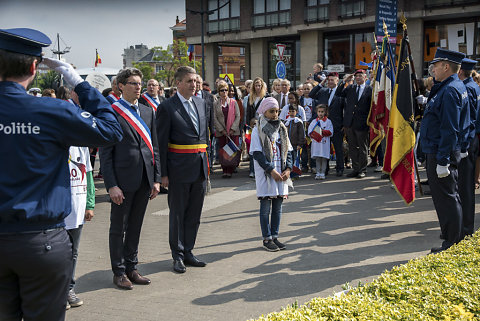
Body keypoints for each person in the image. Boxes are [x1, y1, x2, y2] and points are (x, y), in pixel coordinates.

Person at [0, 28, 123, 321]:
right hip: (40, 242)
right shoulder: (51, 110)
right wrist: (77, 82)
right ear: (34, 67)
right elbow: (111, 129)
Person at [99, 67, 161, 290]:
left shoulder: (147, 111)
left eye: (139, 83)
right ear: (121, 86)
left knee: (135, 226)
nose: (138, 87)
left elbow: (154, 148)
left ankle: (131, 268)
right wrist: (111, 185)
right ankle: (118, 272)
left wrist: (156, 179)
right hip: (122, 182)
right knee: (119, 228)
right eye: (133, 83)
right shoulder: (112, 112)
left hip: (144, 179)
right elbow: (106, 153)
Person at [156, 66, 209, 273]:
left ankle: (188, 251)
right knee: (177, 214)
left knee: (194, 214)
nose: (194, 85)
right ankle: (177, 255)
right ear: (178, 83)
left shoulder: (201, 102)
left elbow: (204, 136)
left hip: (199, 167)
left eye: (195, 81)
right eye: (189, 81)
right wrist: (163, 174)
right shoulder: (167, 107)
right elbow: (160, 143)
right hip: (178, 169)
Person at [419, 48, 467, 254]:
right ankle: (452, 235)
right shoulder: (448, 86)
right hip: (440, 149)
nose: (433, 69)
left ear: (446, 66)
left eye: (436, 65)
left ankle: (452, 243)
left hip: (441, 151)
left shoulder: (450, 90)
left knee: (446, 198)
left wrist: (443, 160)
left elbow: (449, 128)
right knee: (448, 197)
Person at [249, 97, 293, 252]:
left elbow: (289, 150)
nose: (275, 114)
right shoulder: (258, 128)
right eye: (271, 111)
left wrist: (288, 169)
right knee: (266, 206)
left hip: (280, 173)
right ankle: (266, 238)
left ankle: (275, 236)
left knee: (278, 207)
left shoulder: (282, 127)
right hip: (267, 173)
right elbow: (257, 153)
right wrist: (271, 170)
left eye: (277, 111)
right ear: (264, 111)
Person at [457, 58, 479, 239]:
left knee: (465, 187)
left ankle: (466, 228)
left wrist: (464, 144)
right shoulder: (474, 86)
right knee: (465, 185)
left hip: (468, 141)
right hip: (472, 140)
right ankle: (464, 226)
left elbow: (468, 120)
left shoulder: (468, 88)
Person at [338, 70, 372, 178]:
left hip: (362, 123)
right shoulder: (350, 88)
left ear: (365, 77)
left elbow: (371, 107)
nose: (358, 78)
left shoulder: (369, 89)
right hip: (350, 123)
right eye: (356, 76)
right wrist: (345, 82)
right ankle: (355, 168)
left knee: (362, 147)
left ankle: (362, 169)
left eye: (360, 76)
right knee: (352, 147)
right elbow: (339, 93)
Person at [310, 72, 345, 176]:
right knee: (324, 148)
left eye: (332, 80)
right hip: (322, 125)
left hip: (337, 125)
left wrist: (344, 124)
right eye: (328, 80)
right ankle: (325, 169)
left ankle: (340, 168)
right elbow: (312, 94)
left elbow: (345, 109)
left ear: (337, 81)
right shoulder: (323, 91)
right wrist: (321, 83)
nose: (330, 82)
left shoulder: (341, 92)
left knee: (338, 148)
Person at [214, 81, 241, 178]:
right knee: (222, 151)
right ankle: (224, 170)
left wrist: (232, 129)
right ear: (219, 92)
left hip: (233, 132)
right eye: (222, 90)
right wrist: (222, 130)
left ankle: (230, 170)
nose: (224, 92)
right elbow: (215, 118)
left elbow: (238, 116)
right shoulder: (216, 103)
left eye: (226, 90)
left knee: (231, 151)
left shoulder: (233, 102)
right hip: (222, 132)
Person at [246, 77, 269, 177]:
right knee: (253, 148)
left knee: (264, 148)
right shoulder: (250, 98)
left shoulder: (266, 97)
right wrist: (248, 124)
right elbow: (248, 113)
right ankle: (252, 170)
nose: (258, 87)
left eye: (259, 85)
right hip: (252, 126)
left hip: (263, 125)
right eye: (256, 85)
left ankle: (266, 168)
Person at [308, 104, 333, 180]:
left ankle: (323, 172)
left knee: (324, 158)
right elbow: (310, 132)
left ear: (325, 112)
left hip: (324, 143)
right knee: (318, 158)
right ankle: (318, 172)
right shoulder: (313, 121)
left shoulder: (328, 121)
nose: (320, 113)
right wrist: (316, 133)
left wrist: (321, 131)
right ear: (317, 112)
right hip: (317, 144)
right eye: (319, 111)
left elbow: (331, 132)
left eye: (322, 112)